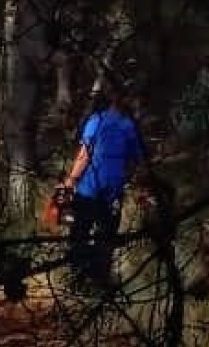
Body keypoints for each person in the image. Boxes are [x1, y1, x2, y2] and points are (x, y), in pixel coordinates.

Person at [61, 78, 146, 289]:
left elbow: (84, 156)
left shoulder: (96, 121)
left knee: (80, 233)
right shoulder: (128, 126)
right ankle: (98, 279)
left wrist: (70, 181)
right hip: (111, 192)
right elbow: (139, 161)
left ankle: (79, 278)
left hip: (89, 189)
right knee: (106, 236)